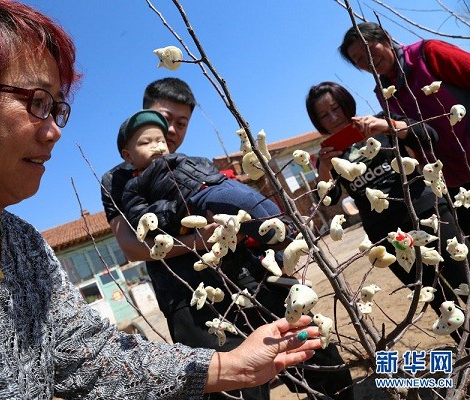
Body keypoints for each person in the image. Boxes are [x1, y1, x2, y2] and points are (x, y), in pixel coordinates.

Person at [0, 1, 324, 398]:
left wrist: (232, 365)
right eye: (36, 102)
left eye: (57, 107)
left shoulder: (22, 243)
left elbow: (89, 354)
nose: (55, 130)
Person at [101, 78, 355, 400]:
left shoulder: (193, 165)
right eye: (166, 119)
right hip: (189, 296)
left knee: (316, 357)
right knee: (235, 388)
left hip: (250, 274)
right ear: (145, 112)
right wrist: (205, 239)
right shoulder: (117, 179)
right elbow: (132, 247)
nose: (172, 131)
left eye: (182, 123)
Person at [306, 81, 468, 343]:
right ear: (317, 121)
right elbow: (327, 198)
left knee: (463, 275)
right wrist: (324, 168)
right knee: (437, 297)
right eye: (324, 115)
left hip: (429, 213)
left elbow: (428, 136)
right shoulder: (329, 154)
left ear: (347, 104)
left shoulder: (381, 121)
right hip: (389, 236)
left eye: (336, 108)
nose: (333, 117)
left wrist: (387, 127)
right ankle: (466, 348)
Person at [338, 22, 470, 231]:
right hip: (450, 179)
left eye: (370, 48)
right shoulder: (383, 93)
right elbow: (412, 137)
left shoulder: (428, 53)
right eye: (359, 59)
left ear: (386, 38)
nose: (368, 60)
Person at [118, 109, 282, 245]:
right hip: (194, 201)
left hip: (217, 183)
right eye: (146, 143)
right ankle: (276, 240)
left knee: (253, 197)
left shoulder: (182, 159)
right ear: (128, 156)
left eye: (161, 140)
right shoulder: (136, 185)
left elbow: (206, 166)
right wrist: (180, 210)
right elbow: (141, 219)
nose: (156, 146)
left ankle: (286, 229)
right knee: (236, 200)